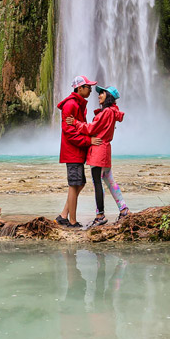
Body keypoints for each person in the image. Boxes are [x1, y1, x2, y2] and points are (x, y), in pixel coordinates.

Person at [67, 85, 129, 227]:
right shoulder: (112, 111)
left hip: (98, 151)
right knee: (110, 182)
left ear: (109, 96)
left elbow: (91, 129)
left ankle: (100, 215)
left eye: (102, 93)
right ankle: (124, 209)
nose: (99, 95)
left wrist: (76, 123)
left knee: (97, 183)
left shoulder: (106, 112)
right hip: (105, 150)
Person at [56, 75, 102, 228]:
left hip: (77, 152)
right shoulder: (71, 105)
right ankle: (72, 221)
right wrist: (89, 141)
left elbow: (79, 127)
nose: (91, 90)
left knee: (79, 184)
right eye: (88, 87)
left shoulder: (78, 104)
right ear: (80, 88)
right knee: (74, 185)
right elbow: (69, 133)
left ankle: (63, 215)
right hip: (72, 152)